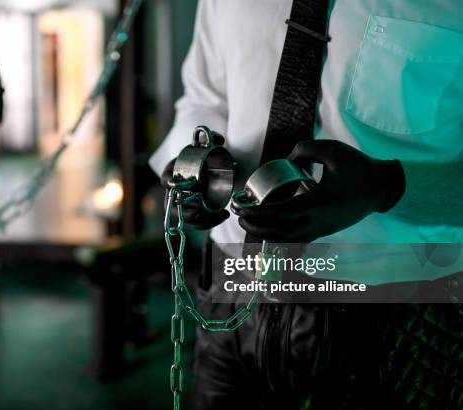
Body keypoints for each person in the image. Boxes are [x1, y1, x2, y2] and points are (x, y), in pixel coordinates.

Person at [150, 1, 463, 408]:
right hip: (232, 289)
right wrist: (194, 175)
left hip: (398, 312)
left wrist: (387, 186)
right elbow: (204, 99)